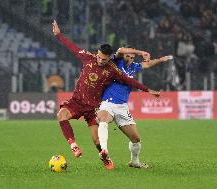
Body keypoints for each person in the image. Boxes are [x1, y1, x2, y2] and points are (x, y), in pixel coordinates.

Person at [52, 20, 161, 169]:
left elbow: (130, 82)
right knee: (61, 115)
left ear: (109, 58)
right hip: (77, 101)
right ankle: (74, 146)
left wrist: (148, 90)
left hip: (93, 109)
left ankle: (105, 157)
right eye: (99, 56)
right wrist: (59, 35)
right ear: (97, 53)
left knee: (97, 141)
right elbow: (73, 48)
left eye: (104, 59)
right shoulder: (88, 57)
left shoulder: (113, 70)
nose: (100, 60)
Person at [97, 45, 173, 168]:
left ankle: (134, 161)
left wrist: (161, 60)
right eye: (128, 56)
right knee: (103, 119)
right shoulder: (116, 62)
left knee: (136, 139)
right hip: (108, 103)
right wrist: (141, 51)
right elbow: (120, 50)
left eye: (132, 57)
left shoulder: (133, 68)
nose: (129, 59)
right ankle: (104, 151)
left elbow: (146, 65)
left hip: (122, 107)